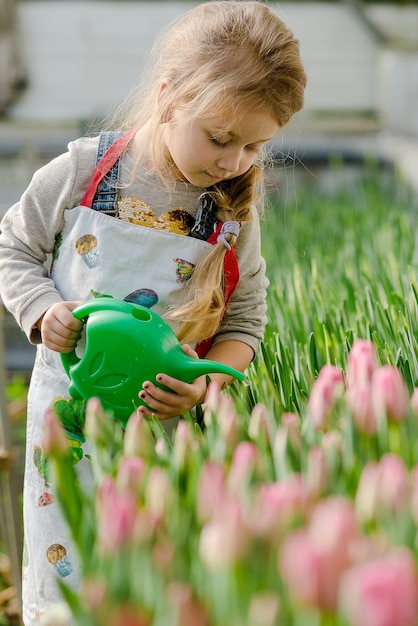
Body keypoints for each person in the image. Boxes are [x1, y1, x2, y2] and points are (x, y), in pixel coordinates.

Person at [0, 1, 306, 623]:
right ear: (168, 97)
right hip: (65, 431)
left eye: (255, 145)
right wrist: (43, 310)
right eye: (220, 138)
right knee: (66, 589)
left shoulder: (227, 215)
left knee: (148, 587)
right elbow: (14, 247)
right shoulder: (84, 174)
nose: (235, 162)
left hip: (160, 438)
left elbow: (246, 318)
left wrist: (208, 383)